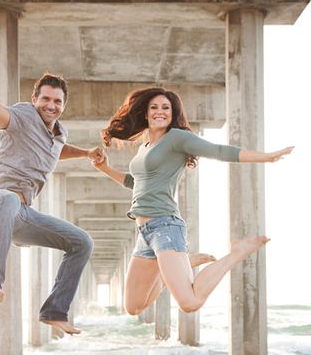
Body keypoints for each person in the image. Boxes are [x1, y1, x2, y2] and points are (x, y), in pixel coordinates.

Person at [91, 87, 293, 315]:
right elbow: (136, 184)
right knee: (134, 307)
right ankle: (179, 265)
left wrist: (265, 157)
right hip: (144, 234)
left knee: (190, 303)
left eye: (166, 108)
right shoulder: (144, 148)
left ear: (172, 113)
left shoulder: (177, 138)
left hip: (165, 228)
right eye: (154, 107)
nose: (160, 112)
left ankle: (237, 252)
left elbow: (219, 151)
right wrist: (105, 168)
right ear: (145, 114)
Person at [0, 51, 104, 336]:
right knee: (7, 197)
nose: (51, 105)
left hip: (21, 215)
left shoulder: (59, 134)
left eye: (57, 101)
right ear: (35, 100)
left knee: (82, 242)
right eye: (45, 99)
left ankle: (55, 310)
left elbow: (57, 150)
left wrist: (85, 153)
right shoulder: (22, 116)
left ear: (63, 105)